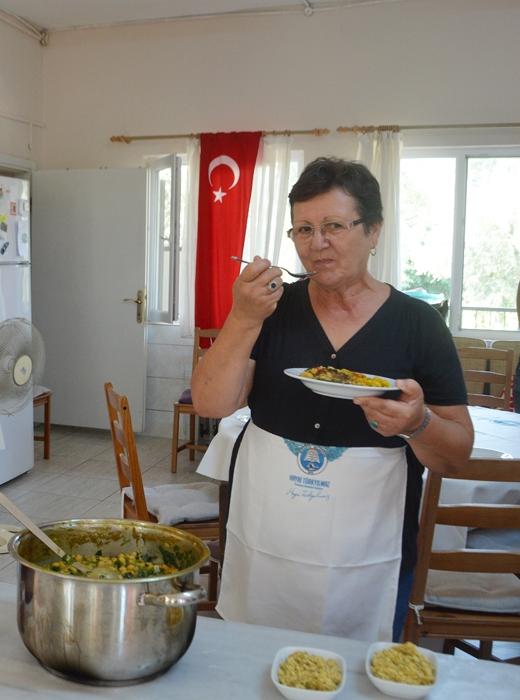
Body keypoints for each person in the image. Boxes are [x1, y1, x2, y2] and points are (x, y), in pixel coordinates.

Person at [191, 157, 474, 642]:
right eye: (303, 229)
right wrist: (241, 318)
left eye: (334, 226)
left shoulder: (418, 325)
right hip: (266, 533)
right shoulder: (272, 310)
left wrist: (417, 423)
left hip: (366, 546)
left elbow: (457, 453)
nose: (315, 244)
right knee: (252, 657)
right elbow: (211, 403)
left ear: (374, 231)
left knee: (354, 668)